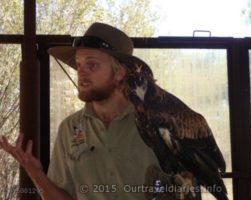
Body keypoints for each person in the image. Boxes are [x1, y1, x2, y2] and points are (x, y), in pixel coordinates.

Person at [0, 22, 162, 200]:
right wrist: (35, 173)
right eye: (78, 65)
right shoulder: (69, 129)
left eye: (91, 65)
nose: (81, 73)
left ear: (120, 72)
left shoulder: (157, 124)